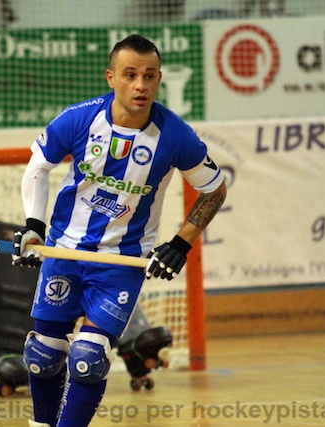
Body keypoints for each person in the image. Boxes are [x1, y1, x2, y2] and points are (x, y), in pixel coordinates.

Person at [12, 34, 227, 427]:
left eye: (149, 76)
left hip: (122, 264)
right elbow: (38, 167)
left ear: (159, 79)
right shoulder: (79, 119)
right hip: (64, 253)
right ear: (111, 77)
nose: (140, 85)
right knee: (43, 356)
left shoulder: (175, 135)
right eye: (130, 75)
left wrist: (180, 245)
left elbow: (214, 189)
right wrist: (33, 228)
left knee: (88, 359)